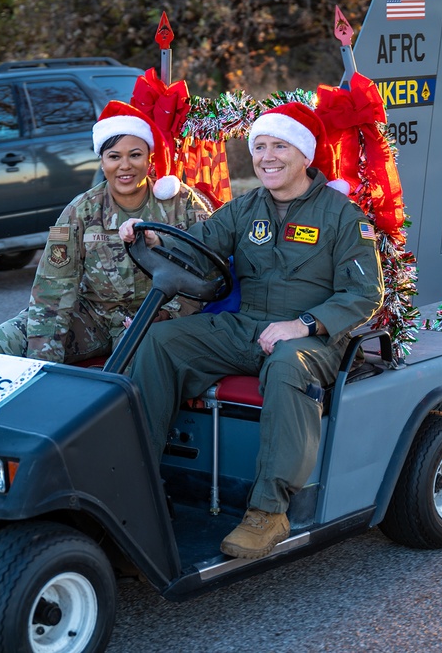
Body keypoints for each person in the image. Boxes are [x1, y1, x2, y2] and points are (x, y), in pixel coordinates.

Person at [120, 102, 384, 559]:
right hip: (247, 328)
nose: (267, 156)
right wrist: (153, 237)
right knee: (162, 343)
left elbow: (364, 294)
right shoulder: (245, 208)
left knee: (285, 365)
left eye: (280, 145)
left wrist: (301, 324)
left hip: (314, 338)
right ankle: (134, 484)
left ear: (305, 154)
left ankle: (269, 511)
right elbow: (201, 245)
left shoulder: (343, 216)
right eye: (259, 146)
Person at [0, 100, 213, 363]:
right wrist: (43, 358)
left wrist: (169, 313)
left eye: (135, 155)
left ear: (149, 158)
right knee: (1, 342)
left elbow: (209, 272)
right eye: (114, 156)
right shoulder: (80, 210)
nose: (124, 166)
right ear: (102, 162)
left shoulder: (182, 203)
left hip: (158, 319)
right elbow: (53, 288)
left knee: (137, 360)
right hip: (93, 317)